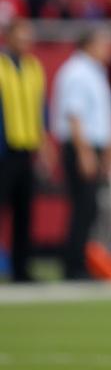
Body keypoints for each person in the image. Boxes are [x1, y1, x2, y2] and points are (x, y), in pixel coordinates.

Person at [51, 27, 111, 280]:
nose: (108, 49)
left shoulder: (94, 72)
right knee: (82, 207)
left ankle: (78, 262)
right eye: (104, 43)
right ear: (89, 44)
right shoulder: (77, 72)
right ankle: (73, 265)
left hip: (91, 146)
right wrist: (85, 153)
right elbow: (74, 114)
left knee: (88, 209)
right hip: (82, 146)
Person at [0, 18, 49, 282]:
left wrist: (43, 145)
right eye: (21, 35)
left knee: (24, 213)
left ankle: (21, 268)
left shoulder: (33, 67)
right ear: (8, 37)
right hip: (3, 150)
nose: (26, 41)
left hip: (26, 147)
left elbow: (41, 109)